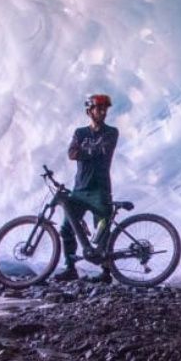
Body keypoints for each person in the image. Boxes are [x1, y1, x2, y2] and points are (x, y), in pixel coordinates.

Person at [60, 93, 119, 279]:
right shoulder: (80, 132)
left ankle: (106, 272)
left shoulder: (111, 132)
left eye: (105, 109)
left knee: (102, 231)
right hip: (80, 190)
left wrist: (84, 150)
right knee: (67, 228)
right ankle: (70, 268)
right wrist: (92, 150)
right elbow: (71, 154)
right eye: (99, 108)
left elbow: (103, 150)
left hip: (100, 190)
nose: (102, 112)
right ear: (89, 111)